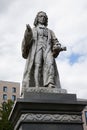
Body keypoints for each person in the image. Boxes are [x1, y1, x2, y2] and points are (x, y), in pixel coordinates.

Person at [21, 11, 66, 93]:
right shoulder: (33, 30)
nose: (43, 18)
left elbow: (55, 41)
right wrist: (28, 33)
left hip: (47, 49)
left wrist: (58, 46)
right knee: (37, 66)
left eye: (44, 17)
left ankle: (50, 83)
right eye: (41, 16)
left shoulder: (50, 31)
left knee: (50, 64)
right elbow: (26, 41)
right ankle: (37, 85)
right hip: (37, 48)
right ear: (37, 18)